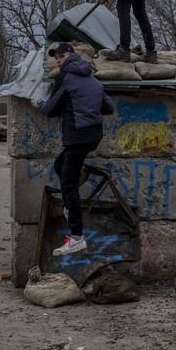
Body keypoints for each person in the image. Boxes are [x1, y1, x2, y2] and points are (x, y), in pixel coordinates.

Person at [37, 42, 115, 255]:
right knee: (60, 164)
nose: (58, 59)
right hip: (93, 136)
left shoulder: (65, 77)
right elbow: (108, 107)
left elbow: (51, 109)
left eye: (61, 56)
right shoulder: (93, 79)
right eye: (57, 57)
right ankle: (71, 209)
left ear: (71, 55)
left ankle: (77, 237)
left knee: (69, 185)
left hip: (77, 137)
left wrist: (39, 104)